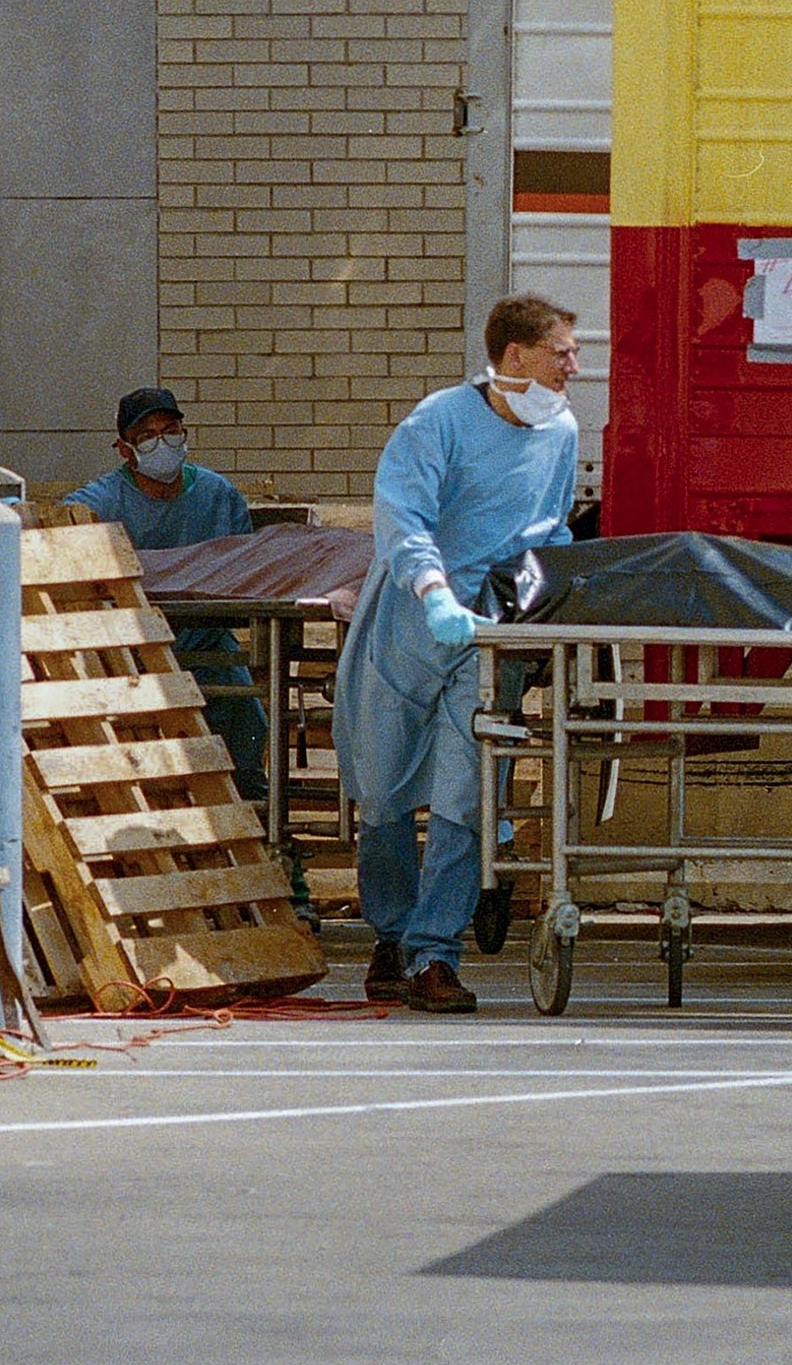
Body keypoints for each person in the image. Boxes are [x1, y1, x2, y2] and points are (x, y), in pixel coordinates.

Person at [334, 294, 581, 1013]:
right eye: (562, 351)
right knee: (381, 789)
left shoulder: (559, 431)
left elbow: (550, 527)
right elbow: (403, 514)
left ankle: (434, 954)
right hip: (413, 621)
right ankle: (391, 933)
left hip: (489, 634)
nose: (575, 365)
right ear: (515, 357)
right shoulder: (438, 422)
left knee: (464, 796)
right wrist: (435, 590)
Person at [64, 389, 273, 804]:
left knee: (247, 728)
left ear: (185, 433)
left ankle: (264, 840)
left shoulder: (216, 495)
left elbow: (244, 567)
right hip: (133, 654)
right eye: (147, 436)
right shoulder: (103, 501)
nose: (162, 443)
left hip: (208, 646)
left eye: (170, 431)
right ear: (125, 449)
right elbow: (63, 523)